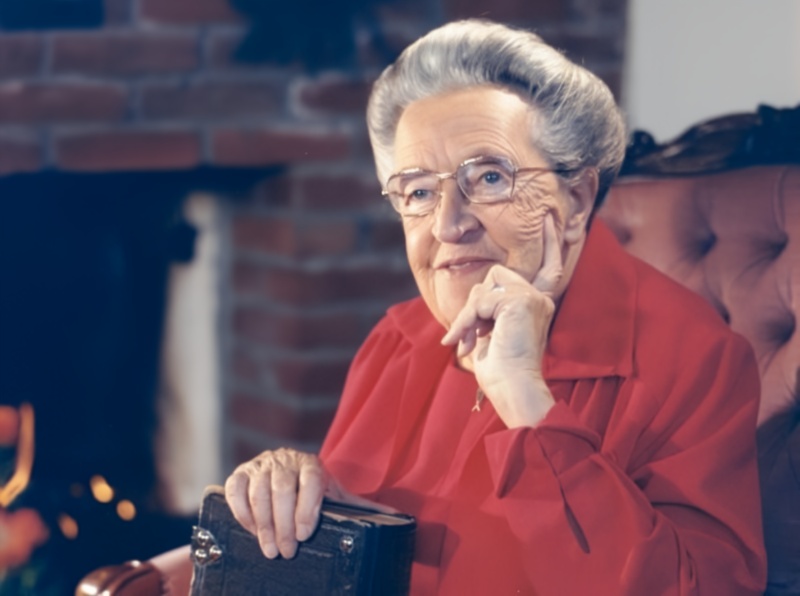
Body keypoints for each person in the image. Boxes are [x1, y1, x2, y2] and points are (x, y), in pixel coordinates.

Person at [225, 19, 767, 594]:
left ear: (576, 199)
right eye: (418, 191)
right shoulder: (398, 339)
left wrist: (525, 398)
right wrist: (300, 494)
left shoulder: (695, 362)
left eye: (488, 177)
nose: (448, 224)